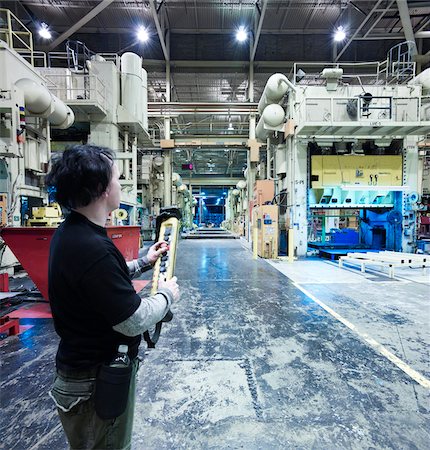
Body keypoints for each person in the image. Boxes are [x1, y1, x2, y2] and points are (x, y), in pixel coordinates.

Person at [46, 144, 180, 450]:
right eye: (118, 179)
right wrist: (166, 296)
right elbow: (132, 321)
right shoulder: (91, 248)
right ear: (101, 189)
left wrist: (145, 261)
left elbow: (102, 282)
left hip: (87, 376)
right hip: (94, 383)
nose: (121, 185)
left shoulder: (74, 233)